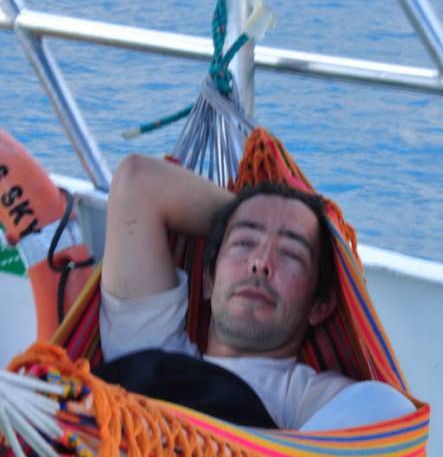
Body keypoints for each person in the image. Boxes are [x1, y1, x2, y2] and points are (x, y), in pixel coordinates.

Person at [99, 154, 413, 430]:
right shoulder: (150, 343)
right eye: (244, 243)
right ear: (209, 279)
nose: (260, 263)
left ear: (319, 304)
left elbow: (394, 414)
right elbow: (137, 181)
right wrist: (248, 212)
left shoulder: (303, 401)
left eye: (290, 254)